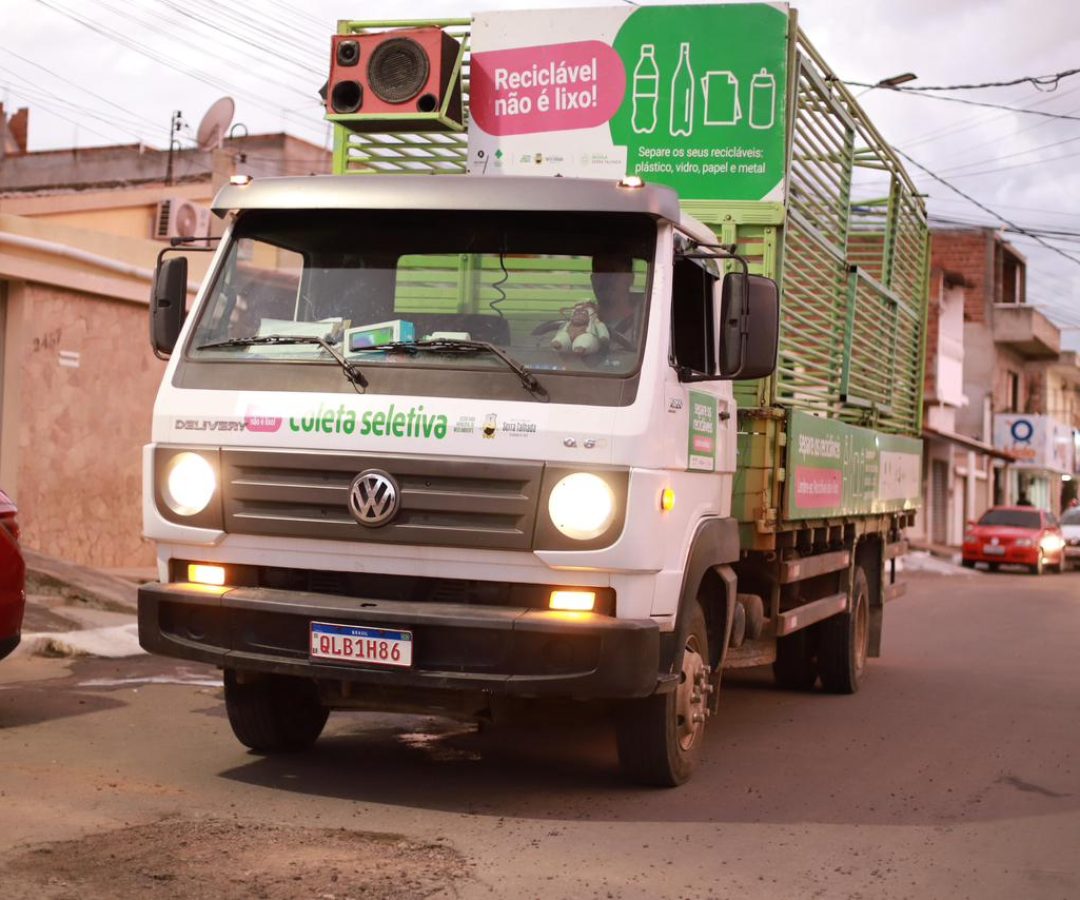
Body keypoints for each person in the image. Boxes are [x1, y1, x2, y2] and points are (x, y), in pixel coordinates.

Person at [590, 254, 643, 346]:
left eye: (613, 272)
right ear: (592, 279)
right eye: (600, 271)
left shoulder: (649, 324)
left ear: (630, 279)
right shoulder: (584, 322)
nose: (605, 279)